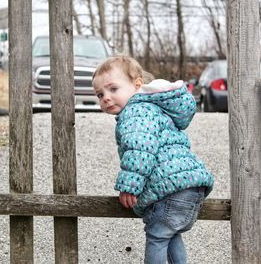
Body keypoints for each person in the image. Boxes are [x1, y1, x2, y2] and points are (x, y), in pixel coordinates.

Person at [92, 54, 214, 264]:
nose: (106, 97)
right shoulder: (153, 109)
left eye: (113, 89)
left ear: (137, 84)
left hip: (172, 189)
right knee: (169, 234)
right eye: (100, 94)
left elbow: (140, 149)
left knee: (157, 238)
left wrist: (129, 186)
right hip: (189, 186)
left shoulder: (136, 112)